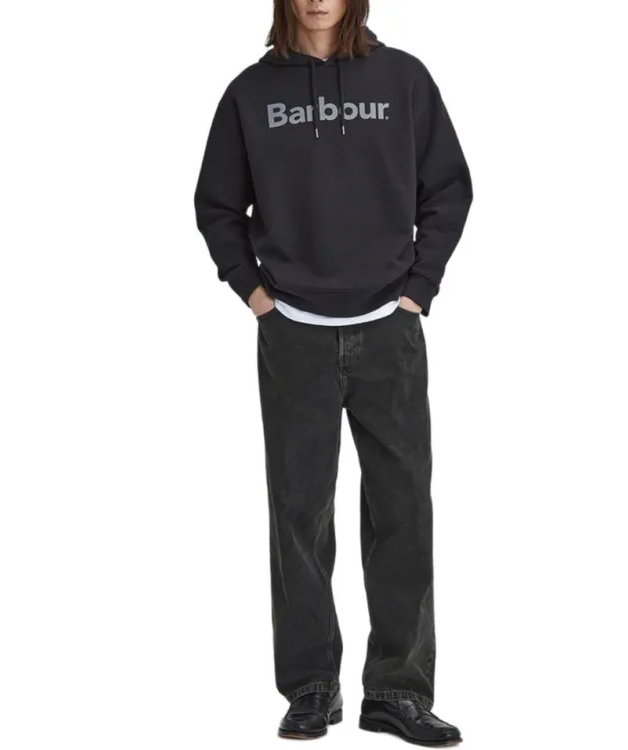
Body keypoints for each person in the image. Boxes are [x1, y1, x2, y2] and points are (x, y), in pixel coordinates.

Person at [193, 0, 473, 743]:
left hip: (389, 329)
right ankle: (311, 686)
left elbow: (448, 189)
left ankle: (397, 692)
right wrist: (257, 297)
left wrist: (419, 289)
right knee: (298, 514)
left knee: (403, 511)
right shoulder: (249, 93)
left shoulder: (404, 79)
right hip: (294, 334)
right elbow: (216, 207)